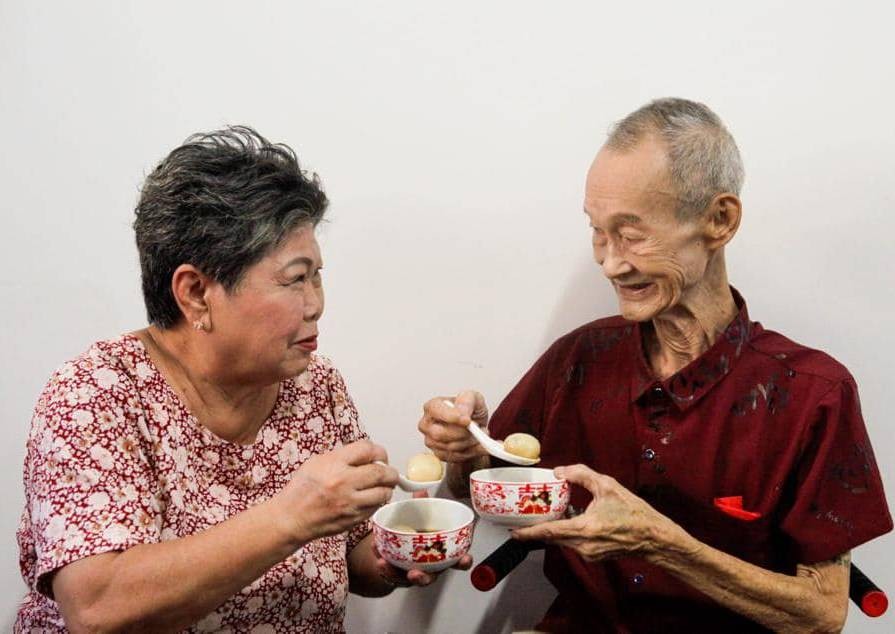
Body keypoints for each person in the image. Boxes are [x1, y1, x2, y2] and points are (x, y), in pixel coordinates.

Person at [418, 98, 892, 632]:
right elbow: (480, 484)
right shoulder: (578, 360)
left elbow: (822, 614)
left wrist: (662, 544)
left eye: (631, 232)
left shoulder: (812, 393)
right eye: (598, 230)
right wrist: (465, 449)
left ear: (719, 220)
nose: (610, 261)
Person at [16, 126, 469, 633]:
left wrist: (396, 557)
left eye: (317, 275)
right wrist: (290, 517)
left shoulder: (316, 387)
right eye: (295, 278)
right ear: (195, 293)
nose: (317, 303)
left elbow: (352, 555)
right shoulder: (96, 395)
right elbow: (98, 610)